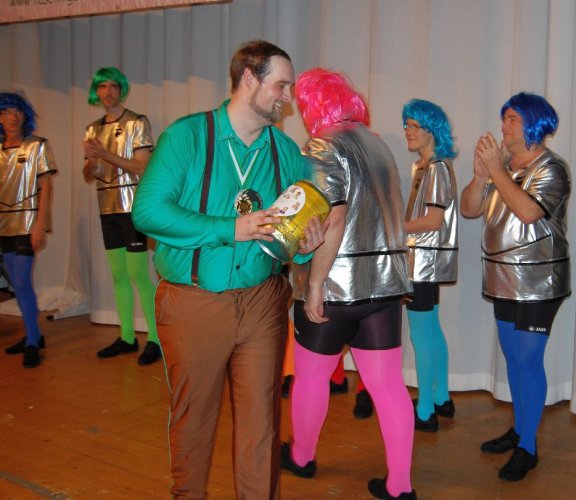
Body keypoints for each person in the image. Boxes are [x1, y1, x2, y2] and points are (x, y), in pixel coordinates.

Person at [132, 40, 324, 499]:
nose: (289, 98)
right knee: (194, 420)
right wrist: (230, 228)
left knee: (261, 423)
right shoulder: (186, 137)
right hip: (194, 301)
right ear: (249, 78)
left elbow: (289, 241)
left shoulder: (286, 153)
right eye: (281, 85)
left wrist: (304, 247)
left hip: (262, 301)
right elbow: (147, 212)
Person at [282, 68, 416, 500]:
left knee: (311, 377)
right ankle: (400, 485)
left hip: (337, 287)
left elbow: (333, 216)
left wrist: (315, 285)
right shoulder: (377, 145)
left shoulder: (322, 145)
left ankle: (302, 457)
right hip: (384, 286)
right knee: (388, 386)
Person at [460, 92, 571, 481]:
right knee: (513, 357)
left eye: (512, 119)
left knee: (527, 359)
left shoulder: (552, 169)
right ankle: (521, 429)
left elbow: (527, 212)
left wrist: (496, 171)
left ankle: (528, 447)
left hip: (539, 281)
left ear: (534, 123)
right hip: (502, 278)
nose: (504, 126)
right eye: (504, 118)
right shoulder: (503, 168)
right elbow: (469, 209)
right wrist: (481, 175)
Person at [83, 67, 161, 366]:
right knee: (118, 275)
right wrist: (91, 163)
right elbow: (89, 175)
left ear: (122, 90)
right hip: (107, 208)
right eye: (102, 86)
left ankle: (155, 339)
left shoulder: (137, 122)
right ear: (96, 91)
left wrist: (104, 155)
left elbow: (143, 167)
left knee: (139, 275)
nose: (107, 91)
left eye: (113, 86)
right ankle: (127, 337)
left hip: (132, 208)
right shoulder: (92, 129)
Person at [401, 99, 458, 432]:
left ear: (432, 130)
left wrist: (395, 228)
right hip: (423, 261)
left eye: (415, 126)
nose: (408, 131)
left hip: (422, 262)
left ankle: (425, 411)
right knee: (431, 328)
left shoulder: (435, 168)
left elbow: (433, 221)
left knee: (421, 333)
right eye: (407, 125)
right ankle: (440, 397)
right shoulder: (425, 166)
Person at [0, 92, 57, 368]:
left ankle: (33, 342)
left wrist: (41, 224)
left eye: (17, 111)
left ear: (25, 115)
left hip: (26, 222)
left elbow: (46, 186)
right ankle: (33, 334)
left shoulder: (37, 145)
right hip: (3, 225)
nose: (12, 117)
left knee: (22, 281)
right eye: (6, 111)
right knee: (17, 281)